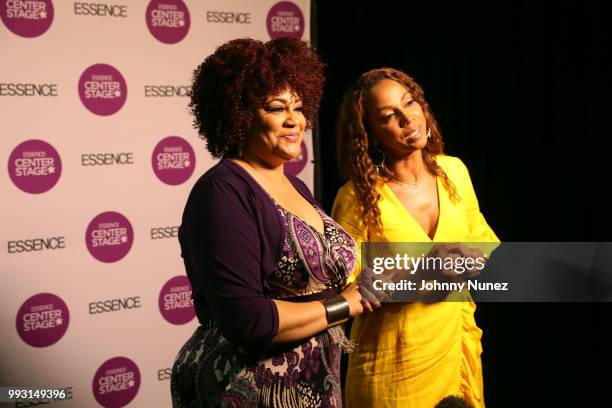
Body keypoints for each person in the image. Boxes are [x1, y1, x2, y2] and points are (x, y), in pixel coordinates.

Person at [171, 38, 369, 408]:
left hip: (312, 380)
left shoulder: (293, 184)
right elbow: (247, 320)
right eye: (277, 108)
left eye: (298, 107)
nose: (295, 120)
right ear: (240, 113)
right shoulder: (222, 192)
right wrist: (344, 305)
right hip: (244, 387)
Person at [332, 67, 500, 408]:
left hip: (455, 351)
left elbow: (483, 239)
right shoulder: (356, 197)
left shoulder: (454, 171)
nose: (408, 119)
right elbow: (344, 285)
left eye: (410, 103)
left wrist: (472, 260)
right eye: (389, 116)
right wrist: (425, 273)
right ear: (371, 134)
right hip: (393, 370)